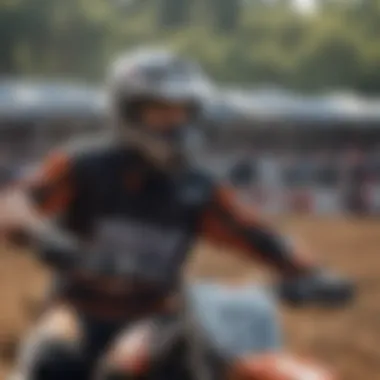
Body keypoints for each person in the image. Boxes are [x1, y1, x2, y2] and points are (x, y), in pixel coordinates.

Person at [5, 48, 352, 380]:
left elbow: (256, 234)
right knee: (52, 363)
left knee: (170, 368)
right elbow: (14, 204)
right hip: (77, 309)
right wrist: (38, 234)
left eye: (183, 110)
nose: (174, 122)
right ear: (126, 111)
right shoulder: (82, 166)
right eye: (160, 110)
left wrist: (311, 271)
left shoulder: (197, 187)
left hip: (156, 317)